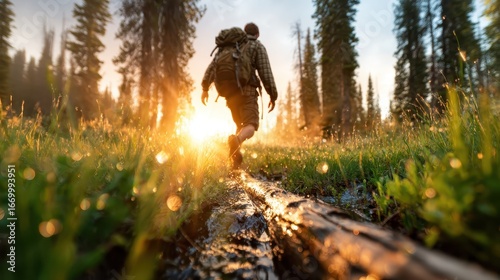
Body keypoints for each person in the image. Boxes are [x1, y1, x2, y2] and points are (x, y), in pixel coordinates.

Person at [201, 22, 278, 169]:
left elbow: (212, 67)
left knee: (240, 125)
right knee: (251, 125)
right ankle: (236, 141)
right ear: (257, 34)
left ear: (244, 32)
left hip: (230, 95)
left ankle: (235, 161)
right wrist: (272, 94)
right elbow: (265, 72)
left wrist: (205, 88)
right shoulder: (257, 46)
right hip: (247, 92)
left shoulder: (230, 46)